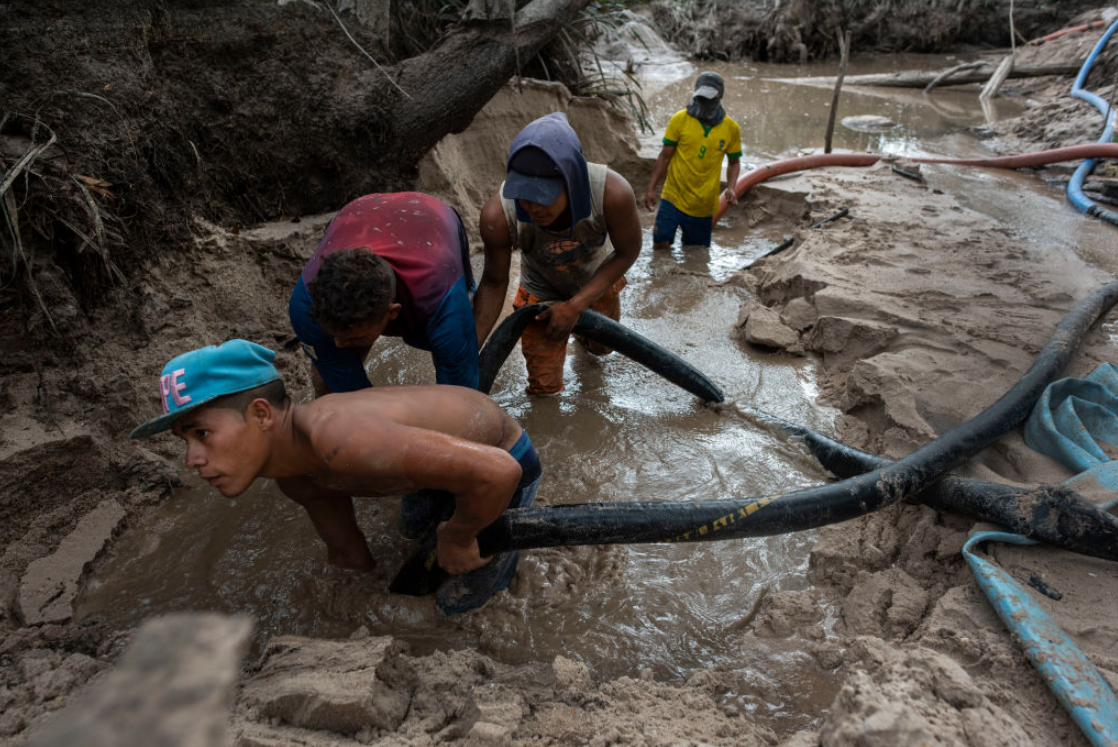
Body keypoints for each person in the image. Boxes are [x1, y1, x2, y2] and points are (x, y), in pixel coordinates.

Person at [129, 339, 542, 616]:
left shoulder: (341, 441)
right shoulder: (296, 477)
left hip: (502, 455)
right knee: (413, 533)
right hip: (441, 468)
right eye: (185, 440)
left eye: (202, 433)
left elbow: (498, 471)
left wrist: (458, 535)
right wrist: (356, 612)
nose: (191, 460)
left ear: (260, 414)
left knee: (456, 603)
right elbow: (348, 556)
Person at [474, 112, 642, 395]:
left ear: (572, 182)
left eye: (542, 195)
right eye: (523, 196)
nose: (531, 207)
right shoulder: (498, 216)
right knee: (544, 386)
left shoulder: (612, 194)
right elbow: (492, 283)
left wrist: (576, 306)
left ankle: (583, 340)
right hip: (540, 290)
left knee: (600, 350)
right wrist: (465, 360)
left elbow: (628, 251)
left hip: (597, 279)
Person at [288, 192, 479, 395]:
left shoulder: (444, 302)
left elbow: (462, 399)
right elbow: (351, 395)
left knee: (453, 355)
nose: (338, 344)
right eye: (333, 334)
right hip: (360, 212)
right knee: (332, 384)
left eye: (353, 337)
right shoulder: (305, 306)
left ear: (393, 313)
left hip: (433, 216)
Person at [644, 71, 743, 251]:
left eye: (708, 98)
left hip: (703, 204)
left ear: (719, 97)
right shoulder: (679, 120)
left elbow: (734, 162)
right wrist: (651, 188)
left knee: (695, 252)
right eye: (701, 97)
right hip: (673, 196)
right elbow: (664, 156)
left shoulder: (731, 128)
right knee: (660, 244)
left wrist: (731, 187)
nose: (703, 102)